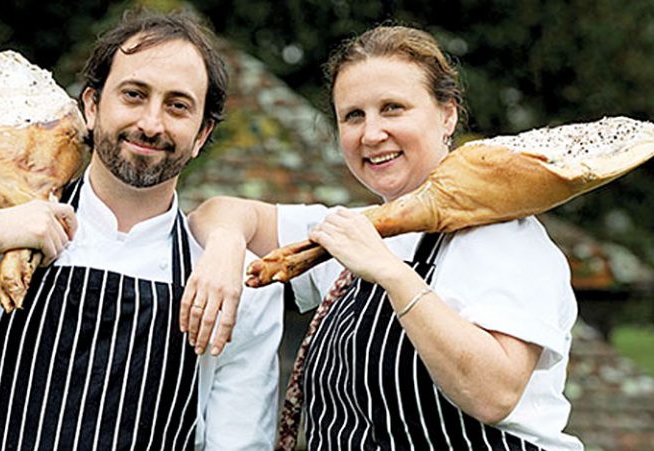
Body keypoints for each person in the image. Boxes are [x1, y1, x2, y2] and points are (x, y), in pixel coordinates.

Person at [0, 9, 283, 450]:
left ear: (202, 134)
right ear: (91, 107)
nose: (151, 123)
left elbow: (238, 442)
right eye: (133, 95)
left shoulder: (234, 284)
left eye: (177, 106)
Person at [185, 25, 583, 450]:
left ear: (447, 115)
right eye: (353, 116)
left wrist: (392, 274)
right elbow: (220, 212)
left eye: (393, 109)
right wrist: (225, 249)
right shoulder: (355, 229)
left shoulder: (505, 237)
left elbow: (494, 395)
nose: (371, 134)